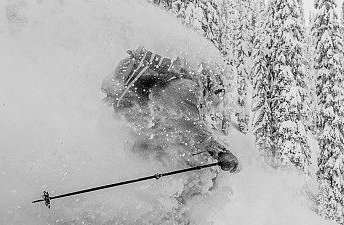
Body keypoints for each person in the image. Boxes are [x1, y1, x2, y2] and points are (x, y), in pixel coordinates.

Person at [102, 46, 240, 174]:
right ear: (216, 88)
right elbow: (189, 123)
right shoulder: (187, 88)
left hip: (133, 109)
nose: (213, 106)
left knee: (154, 147)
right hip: (133, 110)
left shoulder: (181, 83)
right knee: (154, 151)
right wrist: (220, 152)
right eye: (219, 99)